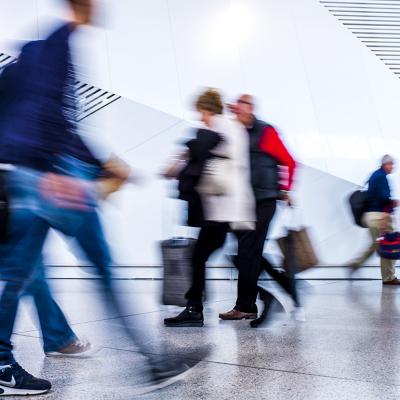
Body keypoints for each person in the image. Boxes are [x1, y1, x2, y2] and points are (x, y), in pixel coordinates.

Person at [0, 0, 202, 396]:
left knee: (20, 275)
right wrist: (61, 169)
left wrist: (93, 164)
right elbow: (54, 114)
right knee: (101, 268)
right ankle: (153, 363)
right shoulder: (58, 43)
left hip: (23, 176)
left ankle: (4, 361)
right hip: (51, 176)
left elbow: (40, 117)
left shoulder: (18, 66)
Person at [164, 88, 256, 327]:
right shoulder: (234, 127)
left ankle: (195, 308)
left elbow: (200, 149)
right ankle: (257, 296)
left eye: (201, 112)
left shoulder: (218, 125)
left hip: (221, 209)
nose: (200, 118)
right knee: (242, 256)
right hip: (234, 207)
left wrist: (179, 161)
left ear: (206, 109)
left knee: (199, 257)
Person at [219, 94, 298, 324]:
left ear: (250, 109)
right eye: (235, 110)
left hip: (264, 201)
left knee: (248, 252)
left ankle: (246, 306)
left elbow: (290, 162)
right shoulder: (237, 133)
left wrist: (285, 188)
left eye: (241, 109)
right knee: (246, 253)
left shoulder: (266, 132)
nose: (237, 114)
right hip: (243, 202)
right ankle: (283, 287)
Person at [349, 155, 400, 285]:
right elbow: (383, 197)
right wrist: (393, 201)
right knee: (389, 245)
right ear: (385, 164)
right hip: (380, 216)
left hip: (370, 216)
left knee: (377, 244)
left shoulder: (374, 175)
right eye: (391, 164)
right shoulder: (382, 177)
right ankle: (389, 277)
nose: (392, 166)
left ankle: (355, 263)